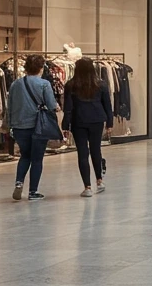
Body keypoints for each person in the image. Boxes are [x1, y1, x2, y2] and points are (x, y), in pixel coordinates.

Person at [62, 57, 112, 197]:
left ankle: (87, 187)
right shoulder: (100, 84)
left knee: (82, 153)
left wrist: (66, 124)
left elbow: (68, 108)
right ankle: (99, 181)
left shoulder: (71, 85)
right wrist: (109, 123)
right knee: (96, 150)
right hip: (97, 119)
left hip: (79, 121)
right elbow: (107, 105)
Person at [9, 54, 58, 201]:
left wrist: (10, 124)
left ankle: (19, 182)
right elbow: (50, 105)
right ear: (41, 68)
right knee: (37, 159)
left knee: (25, 156)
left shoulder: (15, 84)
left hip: (19, 126)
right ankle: (33, 191)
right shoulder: (44, 84)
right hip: (37, 126)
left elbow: (9, 106)